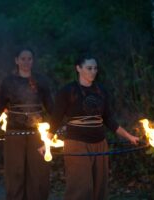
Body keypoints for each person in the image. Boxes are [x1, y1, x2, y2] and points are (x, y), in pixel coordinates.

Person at [49, 54, 139, 200]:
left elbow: (108, 119)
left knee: (100, 187)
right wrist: (46, 142)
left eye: (95, 68)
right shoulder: (67, 91)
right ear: (78, 68)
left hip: (100, 144)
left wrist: (129, 136)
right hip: (76, 144)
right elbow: (55, 119)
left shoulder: (101, 90)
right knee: (81, 188)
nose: (93, 71)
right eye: (89, 68)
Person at [0, 47, 53, 200]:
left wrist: (60, 124)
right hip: (14, 132)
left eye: (29, 59)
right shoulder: (8, 81)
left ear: (33, 60)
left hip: (37, 133)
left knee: (37, 169)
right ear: (16, 60)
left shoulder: (41, 81)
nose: (26, 62)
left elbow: (50, 105)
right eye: (23, 59)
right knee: (15, 169)